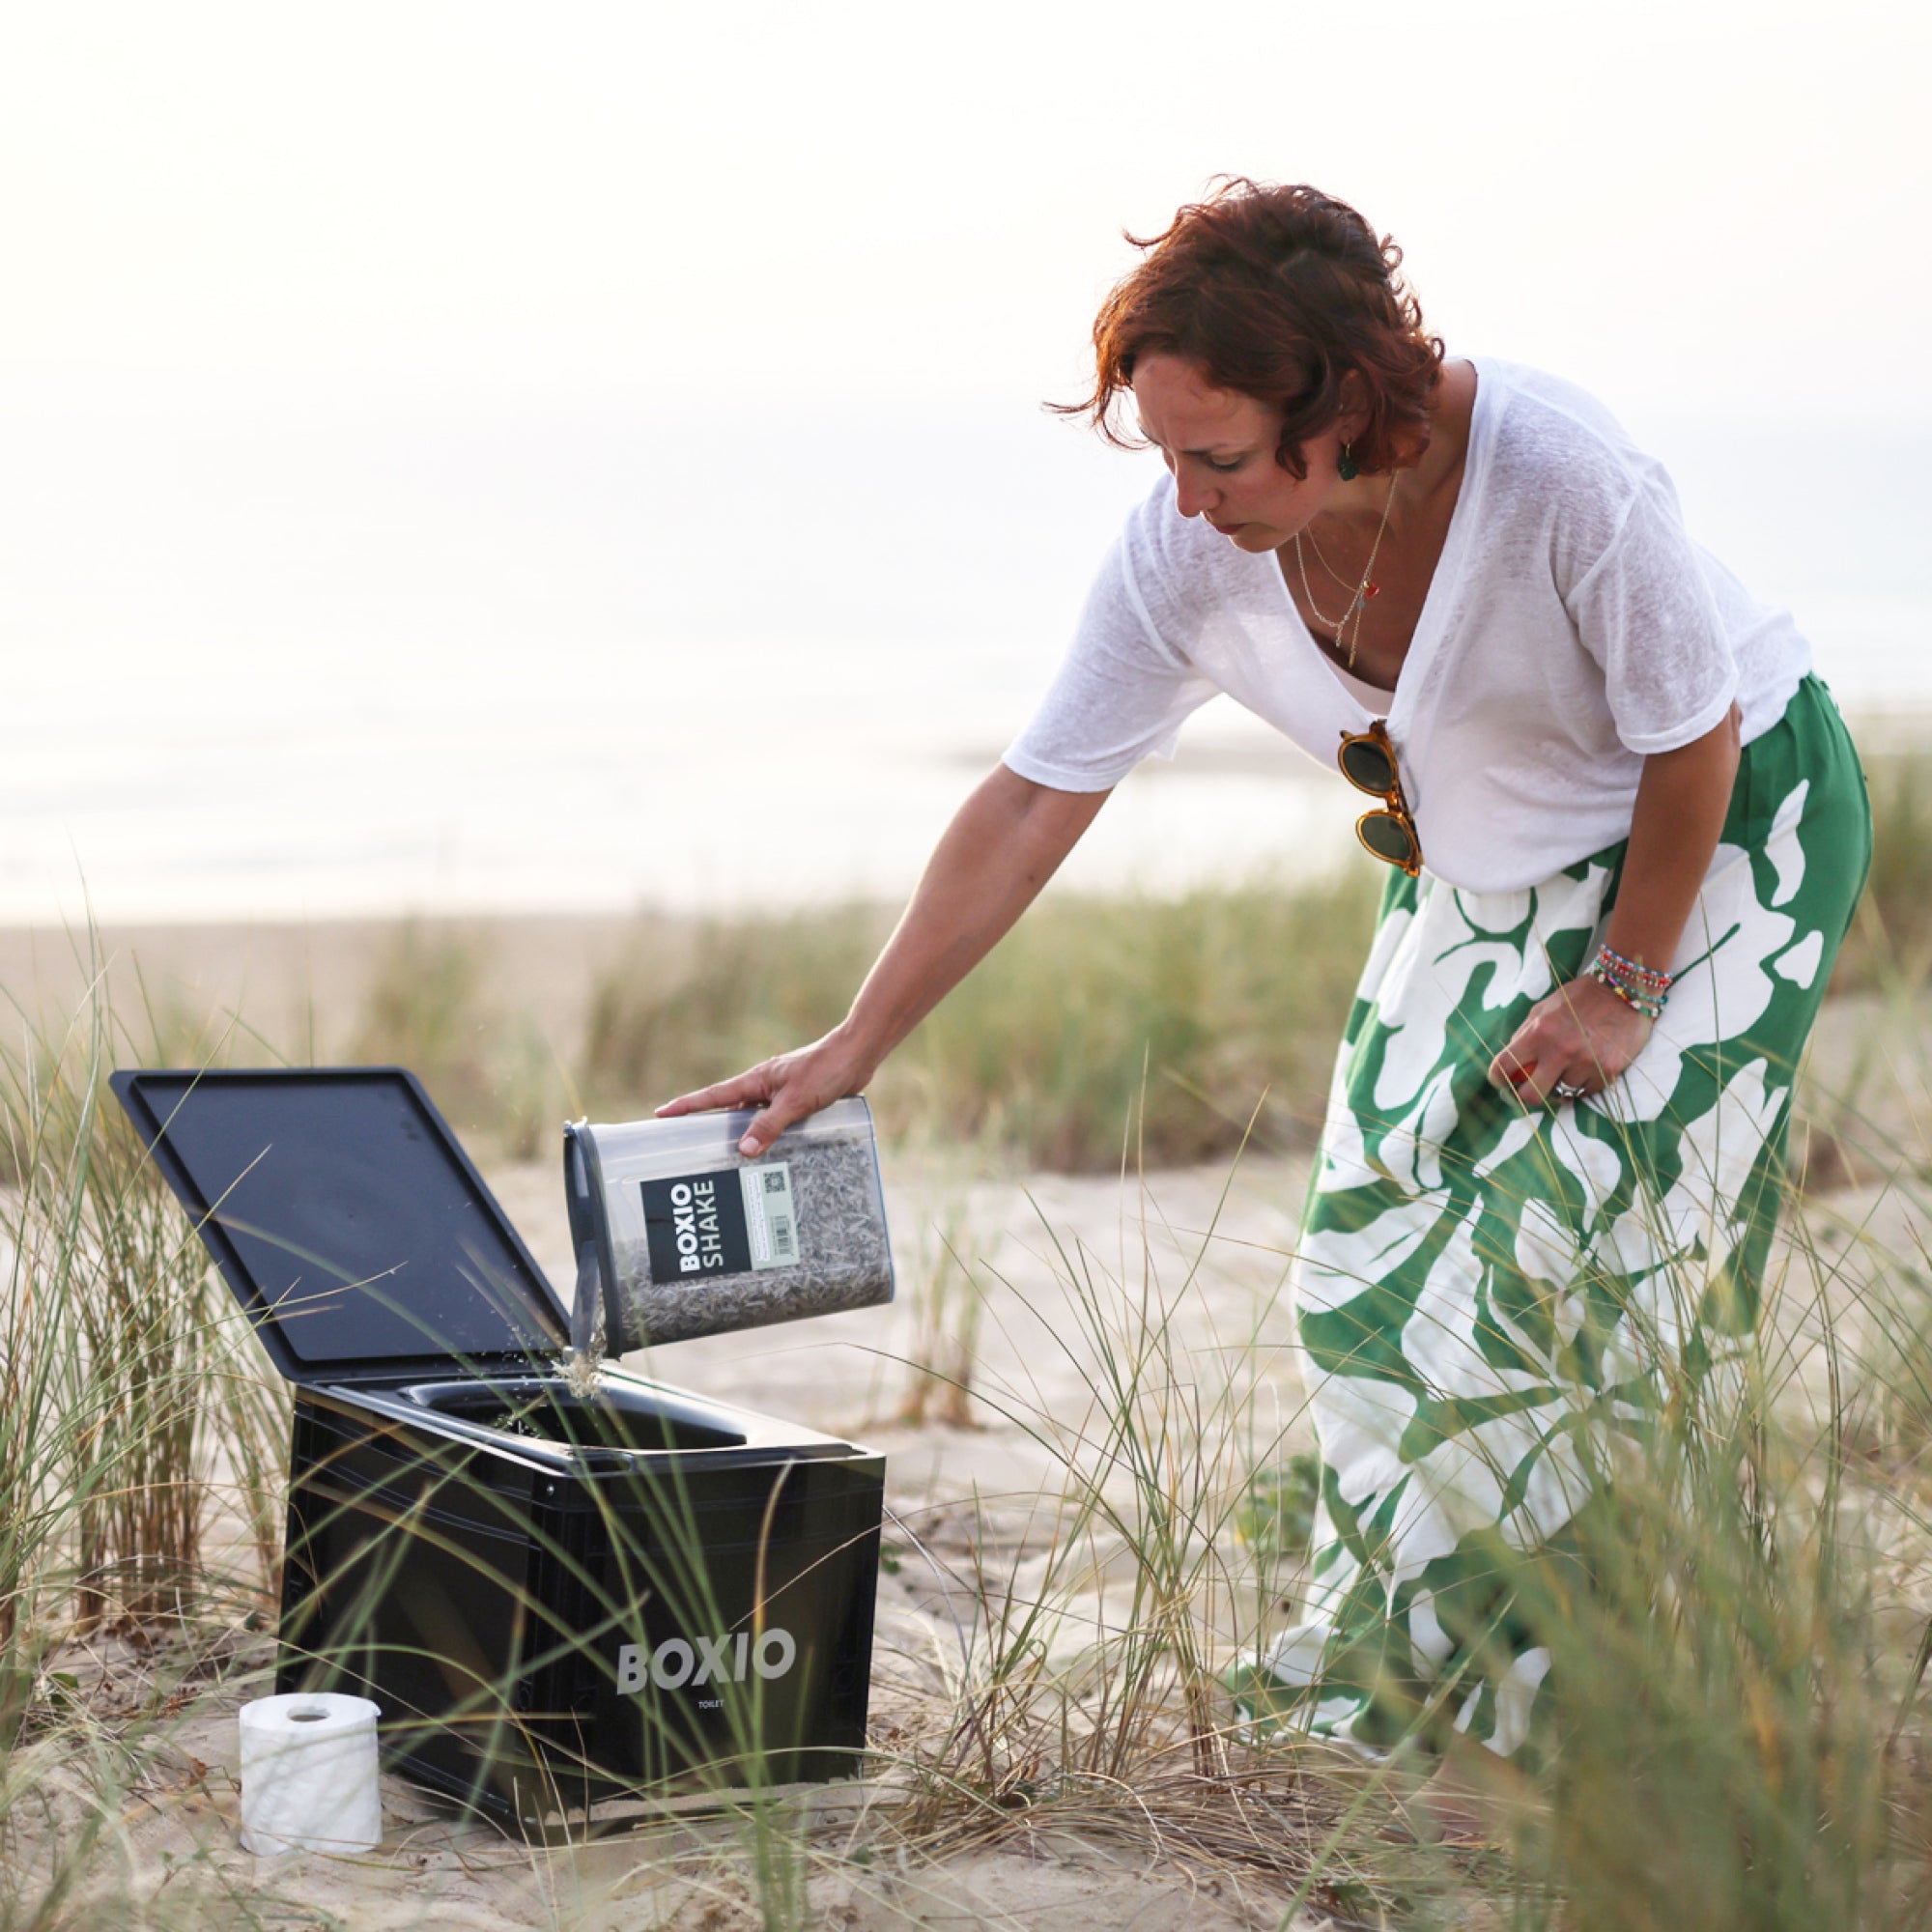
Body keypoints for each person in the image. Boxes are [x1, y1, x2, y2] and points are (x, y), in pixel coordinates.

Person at [658, 180, 1871, 1785]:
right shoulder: (1192, 553)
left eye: (1216, 456)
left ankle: (1568, 1732)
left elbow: (1691, 733)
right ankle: (1413, 1672)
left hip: (1720, 837)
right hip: (1490, 858)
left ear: (1347, 403)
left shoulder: (1561, 475)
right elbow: (1036, 793)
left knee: (1553, 1277)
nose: (1186, 498)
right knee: (1361, 1272)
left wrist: (1626, 985)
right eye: (1162, 453)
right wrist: (854, 1044)